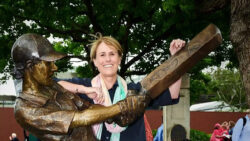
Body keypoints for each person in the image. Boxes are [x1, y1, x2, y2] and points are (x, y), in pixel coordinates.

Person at [12, 33, 150, 141]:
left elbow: (87, 107)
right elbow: (80, 118)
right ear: (30, 66)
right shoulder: (25, 110)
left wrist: (112, 117)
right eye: (48, 63)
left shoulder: (51, 86)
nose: (54, 67)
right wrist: (121, 107)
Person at [56, 35, 185, 141]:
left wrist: (177, 57)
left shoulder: (135, 91)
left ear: (119, 59)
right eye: (102, 55)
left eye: (112, 54)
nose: (107, 59)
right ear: (94, 61)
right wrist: (85, 90)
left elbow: (172, 94)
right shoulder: (85, 87)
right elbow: (53, 84)